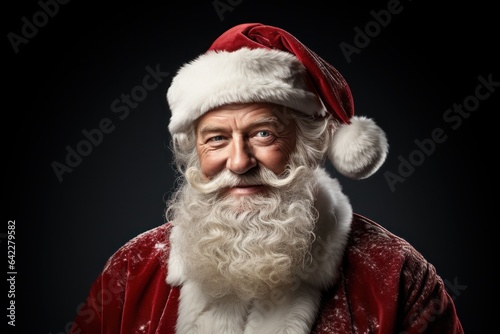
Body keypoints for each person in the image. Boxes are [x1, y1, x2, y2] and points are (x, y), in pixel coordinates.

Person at [69, 23, 464, 334]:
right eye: (217, 139)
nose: (238, 162)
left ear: (308, 144)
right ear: (195, 151)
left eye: (263, 134)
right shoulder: (132, 269)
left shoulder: (396, 276)